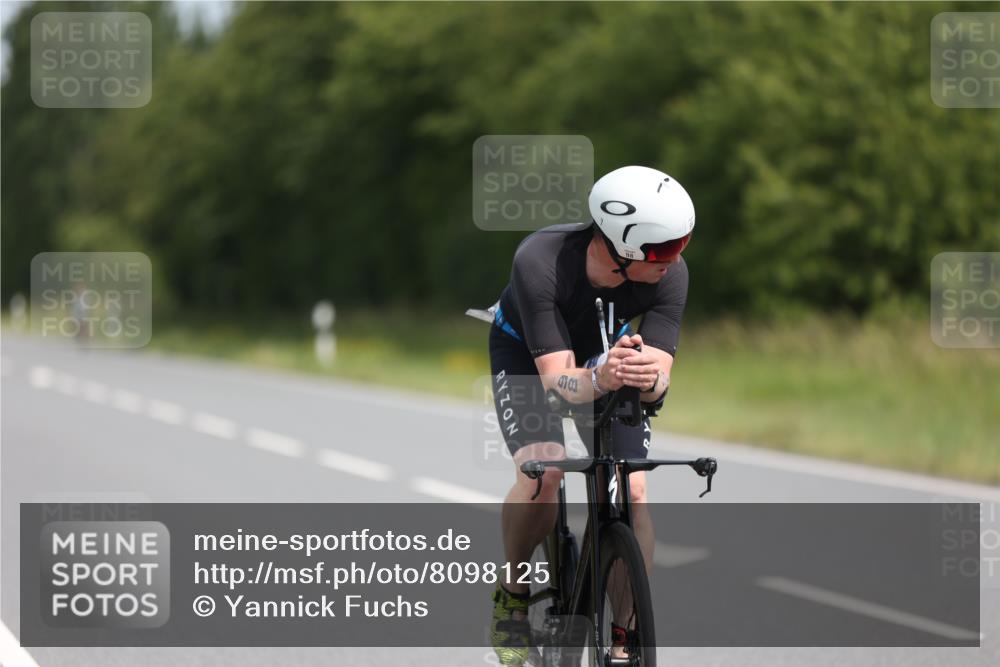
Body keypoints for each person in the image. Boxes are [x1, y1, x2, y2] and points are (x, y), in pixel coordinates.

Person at [487, 165, 694, 665]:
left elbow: (660, 380)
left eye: (682, 244)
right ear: (624, 246)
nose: (676, 259)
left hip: (607, 357)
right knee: (545, 473)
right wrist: (601, 378)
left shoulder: (670, 277)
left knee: (634, 488)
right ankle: (513, 594)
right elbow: (558, 379)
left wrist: (649, 379)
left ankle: (624, 633)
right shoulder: (539, 260)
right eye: (665, 249)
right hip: (530, 357)